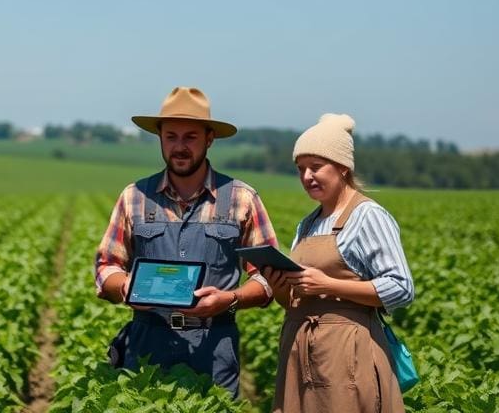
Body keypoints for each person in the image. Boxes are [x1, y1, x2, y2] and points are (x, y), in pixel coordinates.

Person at [95, 86, 278, 398]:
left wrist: (230, 299)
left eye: (190, 137)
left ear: (209, 139)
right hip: (147, 343)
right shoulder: (134, 196)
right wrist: (125, 287)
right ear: (160, 139)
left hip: (213, 344)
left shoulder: (241, 199)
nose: (179, 146)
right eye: (171, 137)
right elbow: (107, 266)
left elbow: (269, 277)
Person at [264, 113, 415, 413]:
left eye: (316, 167)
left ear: (343, 167)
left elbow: (401, 288)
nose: (307, 176)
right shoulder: (307, 225)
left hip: (347, 356)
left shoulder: (367, 215)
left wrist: (329, 284)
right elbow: (298, 301)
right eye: (300, 168)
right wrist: (280, 288)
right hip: (301, 355)